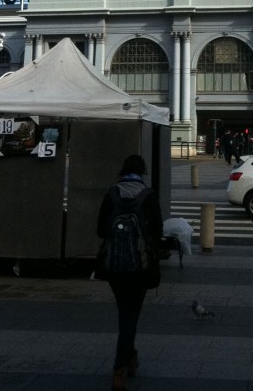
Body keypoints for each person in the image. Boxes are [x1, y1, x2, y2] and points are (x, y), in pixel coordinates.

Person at [97, 153, 163, 390]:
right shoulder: (148, 196)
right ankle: (119, 368)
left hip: (114, 266)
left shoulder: (112, 194)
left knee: (125, 313)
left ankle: (131, 357)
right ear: (142, 172)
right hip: (139, 266)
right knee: (130, 315)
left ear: (123, 171)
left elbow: (100, 230)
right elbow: (158, 232)